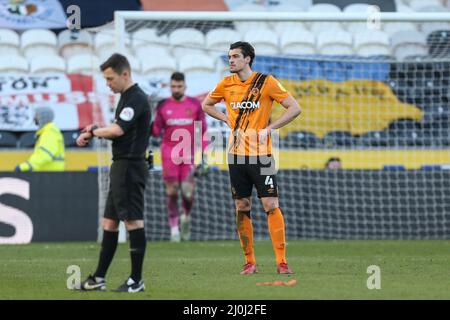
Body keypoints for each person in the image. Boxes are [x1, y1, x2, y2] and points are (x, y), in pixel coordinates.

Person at [202, 41, 301, 275]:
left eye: (235, 56)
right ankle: (250, 262)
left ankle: (282, 262)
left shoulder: (266, 82)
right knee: (242, 206)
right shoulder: (226, 84)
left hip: (262, 156)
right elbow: (206, 105)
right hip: (236, 156)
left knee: (270, 204)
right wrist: (225, 119)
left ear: (248, 59)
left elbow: (294, 108)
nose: (231, 60)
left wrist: (270, 128)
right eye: (229, 57)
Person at [76, 53, 151, 292]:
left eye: (110, 78)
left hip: (130, 166)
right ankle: (98, 278)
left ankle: (136, 281)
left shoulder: (136, 98)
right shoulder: (126, 97)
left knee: (132, 220)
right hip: (120, 166)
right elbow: (118, 129)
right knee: (109, 222)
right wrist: (96, 129)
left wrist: (92, 132)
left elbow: (118, 130)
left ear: (125, 74)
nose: (108, 83)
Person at [151, 72, 208, 242]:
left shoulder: (194, 104)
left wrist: (204, 154)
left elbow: (202, 131)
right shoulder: (163, 106)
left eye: (179, 86)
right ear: (170, 87)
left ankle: (186, 218)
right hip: (169, 153)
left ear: (185, 86)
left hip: (188, 153)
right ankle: (174, 229)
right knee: (172, 190)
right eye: (173, 86)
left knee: (187, 192)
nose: (176, 89)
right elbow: (155, 131)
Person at [15, 106, 65, 171]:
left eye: (37, 115)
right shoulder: (48, 132)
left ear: (43, 117)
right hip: (49, 173)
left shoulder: (50, 133)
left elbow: (44, 155)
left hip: (50, 175)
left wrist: (27, 166)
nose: (34, 118)